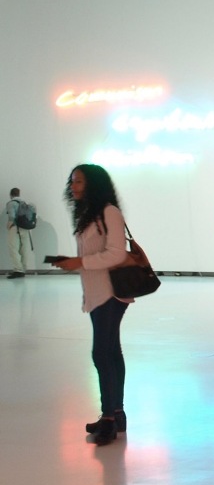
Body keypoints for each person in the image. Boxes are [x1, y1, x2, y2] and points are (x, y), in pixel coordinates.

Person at [53, 165, 131, 446]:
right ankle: (115, 413)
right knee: (111, 351)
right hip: (97, 292)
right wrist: (74, 262)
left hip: (111, 292)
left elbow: (117, 253)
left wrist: (80, 262)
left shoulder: (109, 212)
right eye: (72, 181)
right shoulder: (89, 213)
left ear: (93, 184)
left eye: (79, 182)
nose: (73, 186)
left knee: (102, 353)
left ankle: (109, 418)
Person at [6, 188, 32, 279]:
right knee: (24, 249)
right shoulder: (24, 203)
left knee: (13, 249)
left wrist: (8, 226)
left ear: (11, 195)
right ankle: (23, 270)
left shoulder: (11, 203)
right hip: (26, 229)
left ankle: (18, 270)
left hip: (15, 228)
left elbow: (12, 217)